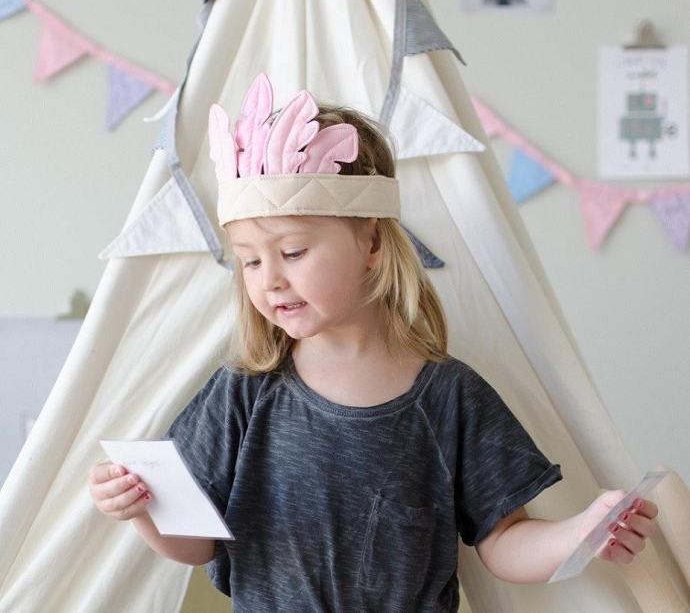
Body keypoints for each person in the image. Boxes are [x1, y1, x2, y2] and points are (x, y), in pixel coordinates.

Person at [89, 73, 658, 612]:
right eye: (250, 262)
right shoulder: (242, 393)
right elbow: (197, 544)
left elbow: (504, 542)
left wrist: (581, 534)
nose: (270, 280)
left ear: (373, 243)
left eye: (292, 252)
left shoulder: (452, 396)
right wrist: (142, 509)